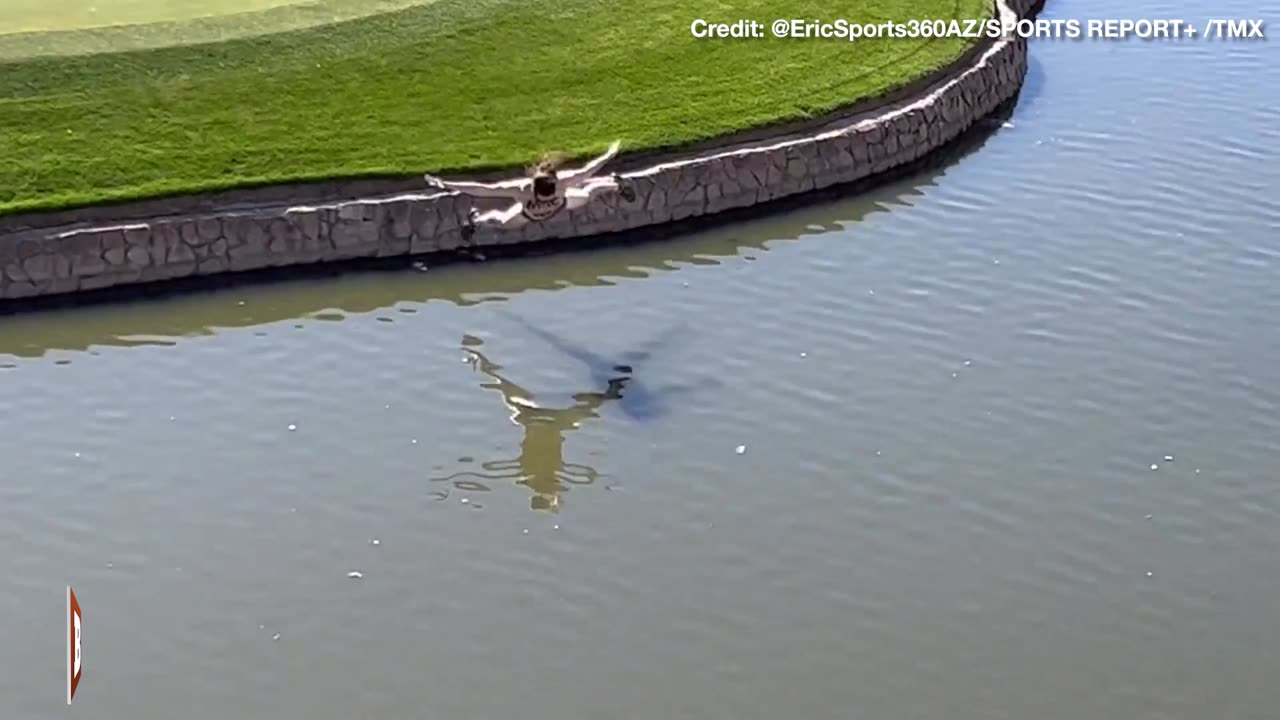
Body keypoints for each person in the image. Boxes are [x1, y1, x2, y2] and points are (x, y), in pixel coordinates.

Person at [422, 140, 636, 241]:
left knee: (588, 193)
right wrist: (446, 184)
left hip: (561, 205)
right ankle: (475, 220)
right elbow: (484, 190)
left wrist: (610, 154)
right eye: (543, 194)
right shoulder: (521, 191)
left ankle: (616, 184)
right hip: (528, 214)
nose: (546, 195)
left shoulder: (561, 184)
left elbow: (587, 171)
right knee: (503, 223)